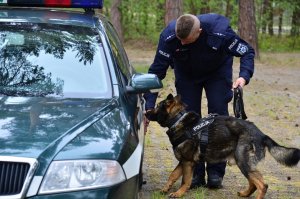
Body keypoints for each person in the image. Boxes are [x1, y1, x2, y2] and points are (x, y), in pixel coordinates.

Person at [143, 13, 255, 189]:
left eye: (186, 41)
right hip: (187, 75)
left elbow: (247, 51)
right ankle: (194, 173)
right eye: (179, 40)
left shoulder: (220, 32)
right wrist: (148, 106)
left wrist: (243, 76)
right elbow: (156, 72)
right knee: (187, 123)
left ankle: (216, 172)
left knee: (218, 118)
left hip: (217, 73)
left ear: (199, 32)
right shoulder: (169, 37)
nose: (181, 44)